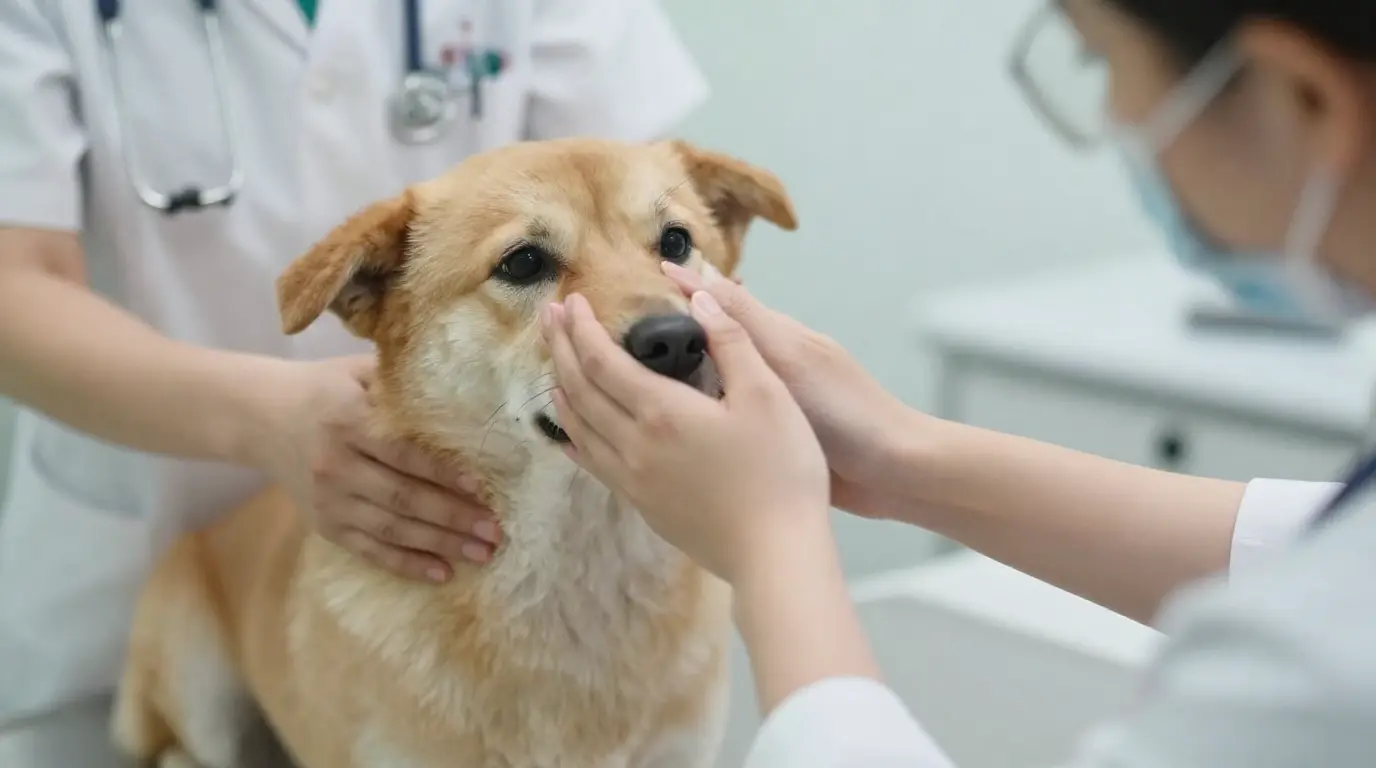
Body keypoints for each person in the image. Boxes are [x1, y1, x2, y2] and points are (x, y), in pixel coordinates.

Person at [544, 0, 1376, 765]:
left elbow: (1329, 607)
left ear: (1303, 96)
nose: (1116, 119)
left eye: (1101, 63)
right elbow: (1322, 548)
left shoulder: (1307, 679)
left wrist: (770, 549)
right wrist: (901, 453)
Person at [0, 0, 708, 726]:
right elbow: (11, 285)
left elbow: (630, 200)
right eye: (527, 262)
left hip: (556, 535)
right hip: (145, 532)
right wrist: (268, 419)